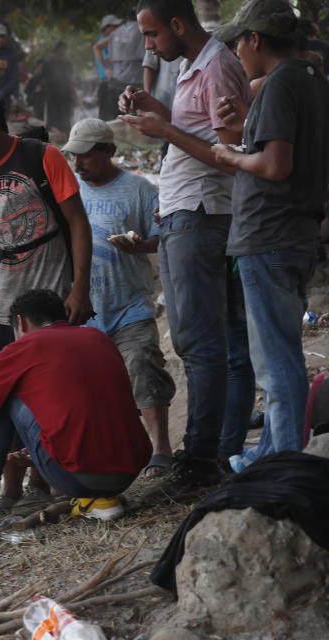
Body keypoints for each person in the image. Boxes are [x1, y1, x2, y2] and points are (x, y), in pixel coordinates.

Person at [118, 0, 251, 499]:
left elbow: (232, 157)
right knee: (196, 341)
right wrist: (160, 115)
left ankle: (199, 458)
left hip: (202, 213)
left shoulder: (218, 65)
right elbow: (199, 133)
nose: (149, 47)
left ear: (178, 25)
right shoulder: (195, 67)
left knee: (202, 342)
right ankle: (207, 452)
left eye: (152, 36)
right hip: (181, 212)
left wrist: (166, 131)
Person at [0, 87, 93, 510]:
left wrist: (79, 287)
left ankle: (56, 481)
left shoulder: (43, 158)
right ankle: (11, 489)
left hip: (48, 306)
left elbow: (78, 224)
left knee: (54, 397)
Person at [210, 0, 329, 467]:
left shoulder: (281, 83)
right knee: (281, 355)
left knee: (275, 363)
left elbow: (275, 165)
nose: (237, 51)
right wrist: (246, 125)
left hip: (270, 235)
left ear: (255, 39)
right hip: (295, 234)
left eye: (238, 41)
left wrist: (230, 158)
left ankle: (284, 464)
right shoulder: (313, 80)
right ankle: (276, 452)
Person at [0, 289, 152, 535]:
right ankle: (100, 500)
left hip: (77, 475)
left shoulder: (23, 348)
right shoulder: (98, 337)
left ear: (20, 322)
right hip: (128, 471)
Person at [63, 118, 175, 476]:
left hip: (130, 304)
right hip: (84, 310)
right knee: (91, 388)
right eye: (74, 157)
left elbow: (162, 233)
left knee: (143, 365)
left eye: (85, 156)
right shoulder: (69, 191)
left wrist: (142, 245)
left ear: (108, 151)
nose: (78, 164)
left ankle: (161, 451)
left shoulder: (138, 189)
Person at [94, 10, 146, 120]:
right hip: (135, 82)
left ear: (127, 18)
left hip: (115, 82)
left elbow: (99, 49)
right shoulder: (143, 30)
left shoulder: (115, 34)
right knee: (135, 120)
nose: (117, 27)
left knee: (115, 119)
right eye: (115, 25)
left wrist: (109, 68)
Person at [95, 15, 123, 81]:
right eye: (115, 26)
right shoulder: (103, 42)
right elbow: (110, 59)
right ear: (107, 27)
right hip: (109, 77)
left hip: (111, 77)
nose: (117, 28)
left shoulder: (106, 40)